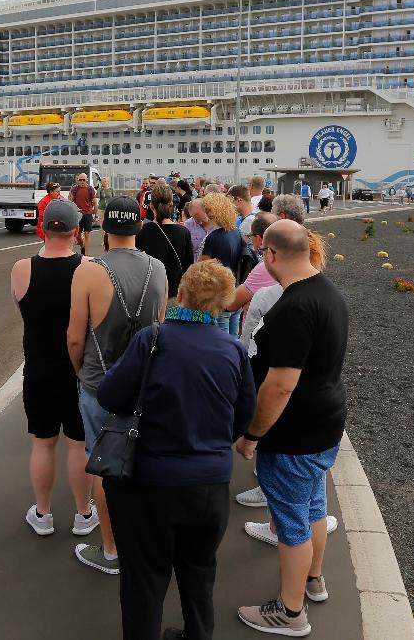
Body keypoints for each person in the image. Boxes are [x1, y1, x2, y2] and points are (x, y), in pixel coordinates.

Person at [98, 260, 256, 640]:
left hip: (147, 482)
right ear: (223, 304)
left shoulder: (152, 340)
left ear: (180, 294)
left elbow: (109, 395)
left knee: (144, 580)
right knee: (199, 573)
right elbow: (243, 417)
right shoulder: (233, 351)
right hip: (209, 486)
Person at [234, 221, 349, 636]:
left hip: (294, 433)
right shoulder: (329, 294)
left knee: (291, 523)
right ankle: (313, 579)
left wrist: (252, 436)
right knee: (314, 507)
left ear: (271, 255)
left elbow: (280, 385)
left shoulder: (292, 309)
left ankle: (289, 611)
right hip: (324, 424)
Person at [67, 196, 168, 575]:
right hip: (144, 384)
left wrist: (82, 372)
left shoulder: (88, 270)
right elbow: (159, 327)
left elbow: (75, 338)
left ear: (105, 229)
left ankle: (111, 550)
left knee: (106, 467)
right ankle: (144, 539)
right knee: (143, 461)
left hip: (99, 383)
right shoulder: (157, 269)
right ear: (139, 228)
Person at [11, 201, 98, 537]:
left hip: (38, 371)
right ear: (76, 231)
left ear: (42, 229)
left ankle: (43, 514)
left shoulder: (22, 269)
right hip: (79, 371)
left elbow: (24, 307)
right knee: (79, 446)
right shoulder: (89, 267)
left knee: (43, 443)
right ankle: (83, 513)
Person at [136, 184, 195, 299]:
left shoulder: (143, 231)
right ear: (172, 205)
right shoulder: (183, 232)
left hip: (149, 292)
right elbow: (189, 266)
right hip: (175, 292)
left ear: (152, 206)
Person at [198, 193, 245, 336]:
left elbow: (204, 269)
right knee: (234, 337)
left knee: (221, 339)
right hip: (236, 293)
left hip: (219, 297)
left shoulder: (213, 238)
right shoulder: (236, 233)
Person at [69, 173, 98, 255]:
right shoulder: (75, 188)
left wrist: (96, 215)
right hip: (77, 214)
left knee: (87, 235)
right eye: (80, 180)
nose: (81, 181)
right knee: (77, 235)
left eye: (83, 180)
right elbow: (70, 201)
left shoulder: (90, 189)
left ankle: (86, 255)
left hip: (87, 214)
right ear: (78, 180)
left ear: (87, 180)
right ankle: (82, 245)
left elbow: (95, 203)